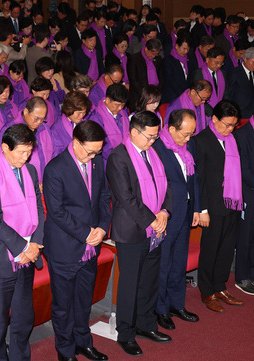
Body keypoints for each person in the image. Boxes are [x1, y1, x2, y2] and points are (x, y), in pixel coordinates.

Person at [0, 123, 45, 361]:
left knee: (24, 316)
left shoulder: (31, 171)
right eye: (20, 153)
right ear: (4, 148)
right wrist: (23, 247)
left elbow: (38, 210)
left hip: (27, 254)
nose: (25, 158)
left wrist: (34, 245)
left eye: (29, 152)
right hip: (1, 257)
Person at [106, 111, 172, 357]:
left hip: (155, 227)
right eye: (149, 136)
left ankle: (146, 325)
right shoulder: (118, 157)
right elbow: (126, 197)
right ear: (134, 131)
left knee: (150, 281)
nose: (153, 141)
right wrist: (153, 219)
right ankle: (125, 333)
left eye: (156, 136)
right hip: (132, 230)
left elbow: (167, 184)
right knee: (130, 284)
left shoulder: (152, 153)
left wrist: (164, 211)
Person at [43, 120, 110, 361]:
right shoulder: (56, 168)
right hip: (65, 247)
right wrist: (86, 233)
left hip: (91, 245)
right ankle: (65, 350)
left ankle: (84, 341)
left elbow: (104, 196)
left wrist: (102, 228)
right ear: (75, 142)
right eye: (89, 151)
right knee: (63, 305)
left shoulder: (97, 161)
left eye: (97, 152)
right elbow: (57, 211)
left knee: (84, 299)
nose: (93, 156)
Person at [195, 100, 245, 312]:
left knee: (226, 248)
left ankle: (220, 285)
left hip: (232, 203)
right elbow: (199, 178)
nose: (229, 129)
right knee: (210, 248)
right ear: (214, 119)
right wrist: (203, 209)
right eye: (226, 124)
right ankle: (207, 291)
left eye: (233, 125)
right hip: (213, 205)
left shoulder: (233, 139)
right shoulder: (202, 140)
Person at [153, 109, 201, 330]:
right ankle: (160, 309)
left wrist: (197, 209)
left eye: (191, 134)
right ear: (171, 129)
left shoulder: (186, 146)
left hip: (186, 210)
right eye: (184, 134)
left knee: (179, 261)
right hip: (168, 213)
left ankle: (176, 304)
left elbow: (193, 180)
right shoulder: (157, 148)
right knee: (163, 263)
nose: (188, 139)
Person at [6, 97, 54, 187]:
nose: (39, 122)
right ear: (26, 112)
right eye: (36, 118)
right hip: (22, 184)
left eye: (42, 119)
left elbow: (52, 154)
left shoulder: (45, 128)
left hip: (45, 183)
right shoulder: (11, 130)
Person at [233, 106, 254, 295]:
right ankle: (242, 276)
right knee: (245, 235)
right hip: (248, 190)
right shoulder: (242, 135)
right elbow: (244, 170)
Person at [88, 83, 130, 162]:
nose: (120, 108)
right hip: (108, 161)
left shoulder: (123, 113)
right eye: (117, 105)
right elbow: (103, 147)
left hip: (124, 157)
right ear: (107, 100)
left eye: (123, 105)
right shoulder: (96, 118)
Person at [51, 91, 93, 156]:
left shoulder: (83, 123)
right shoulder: (56, 130)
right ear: (69, 109)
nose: (81, 116)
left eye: (84, 113)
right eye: (79, 113)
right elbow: (56, 155)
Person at [127, 38, 163, 107]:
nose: (154, 56)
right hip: (139, 96)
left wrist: (157, 93)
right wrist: (146, 95)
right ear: (146, 49)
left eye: (156, 54)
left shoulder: (158, 59)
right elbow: (133, 80)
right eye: (152, 54)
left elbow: (161, 77)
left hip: (155, 95)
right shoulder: (134, 59)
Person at [162, 34, 193, 104]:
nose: (186, 51)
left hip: (185, 96)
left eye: (188, 49)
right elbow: (170, 81)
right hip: (172, 97)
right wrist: (183, 95)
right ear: (176, 46)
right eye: (184, 48)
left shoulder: (189, 60)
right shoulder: (168, 60)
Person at [225, 47, 254, 120]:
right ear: (245, 59)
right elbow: (229, 94)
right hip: (240, 113)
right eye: (253, 62)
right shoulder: (235, 73)